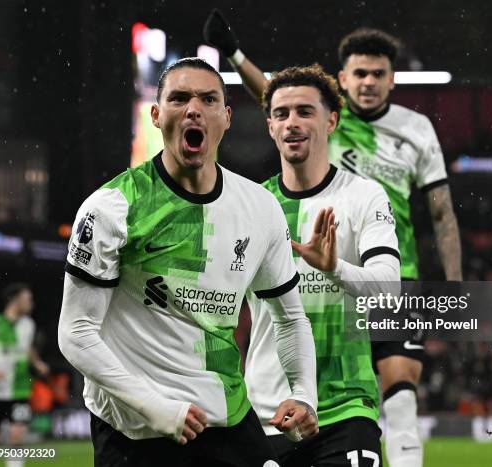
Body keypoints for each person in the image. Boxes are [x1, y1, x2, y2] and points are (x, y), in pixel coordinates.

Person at [204, 13, 463, 467]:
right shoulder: (291, 151)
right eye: (359, 73)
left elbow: (440, 208)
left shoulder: (412, 133)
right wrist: (235, 53)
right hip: (271, 395)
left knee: (400, 394)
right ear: (343, 80)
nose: (368, 82)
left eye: (378, 73)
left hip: (389, 272)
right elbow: (272, 94)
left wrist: (455, 282)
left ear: (392, 80)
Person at [58, 57, 318, 467]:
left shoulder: (260, 209)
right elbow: (75, 331)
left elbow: (289, 319)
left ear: (226, 117)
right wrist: (154, 406)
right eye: (179, 98)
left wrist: (304, 393)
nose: (193, 108)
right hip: (135, 430)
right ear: (157, 116)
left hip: (226, 417)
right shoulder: (112, 208)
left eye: (208, 99)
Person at [245, 65, 401, 466]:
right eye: (281, 114)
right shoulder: (249, 207)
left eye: (304, 111)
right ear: (270, 127)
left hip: (346, 406)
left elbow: (389, 289)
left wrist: (336, 268)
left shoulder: (364, 196)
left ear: (331, 120)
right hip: (268, 411)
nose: (292, 123)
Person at [0, 283, 49, 467]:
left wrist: (37, 363)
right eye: (28, 298)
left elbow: (28, 349)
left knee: (17, 434)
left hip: (20, 389)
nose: (31, 303)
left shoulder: (28, 325)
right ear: (14, 300)